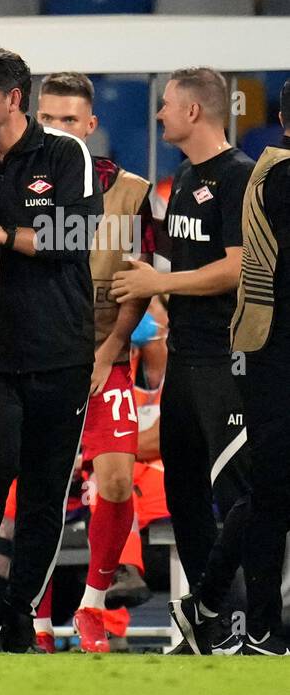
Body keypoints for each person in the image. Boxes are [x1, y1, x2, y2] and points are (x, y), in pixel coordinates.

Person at [0, 45, 102, 653]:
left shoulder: (65, 154)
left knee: (45, 491)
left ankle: (19, 616)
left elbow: (79, 234)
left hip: (61, 350)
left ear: (14, 98)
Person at [110, 67, 254, 655]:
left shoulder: (241, 178)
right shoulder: (184, 179)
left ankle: (219, 609)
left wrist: (158, 280)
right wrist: (151, 295)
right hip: (184, 362)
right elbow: (169, 273)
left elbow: (238, 267)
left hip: (227, 359)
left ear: (194, 111)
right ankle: (210, 631)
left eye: (167, 104)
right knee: (186, 495)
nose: (160, 113)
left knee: (244, 494)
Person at [34, 72, 155, 652]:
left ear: (90, 125)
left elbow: (140, 282)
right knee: (34, 486)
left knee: (114, 482)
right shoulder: (17, 185)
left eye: (68, 120)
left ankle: (92, 603)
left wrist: (109, 353)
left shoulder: (131, 192)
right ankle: (30, 612)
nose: (57, 129)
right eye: (47, 119)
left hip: (104, 357)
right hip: (35, 358)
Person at [219, 79, 290, 655]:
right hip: (274, 358)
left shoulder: (267, 175)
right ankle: (262, 629)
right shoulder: (278, 176)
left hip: (267, 357)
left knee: (269, 496)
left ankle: (258, 627)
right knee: (270, 496)